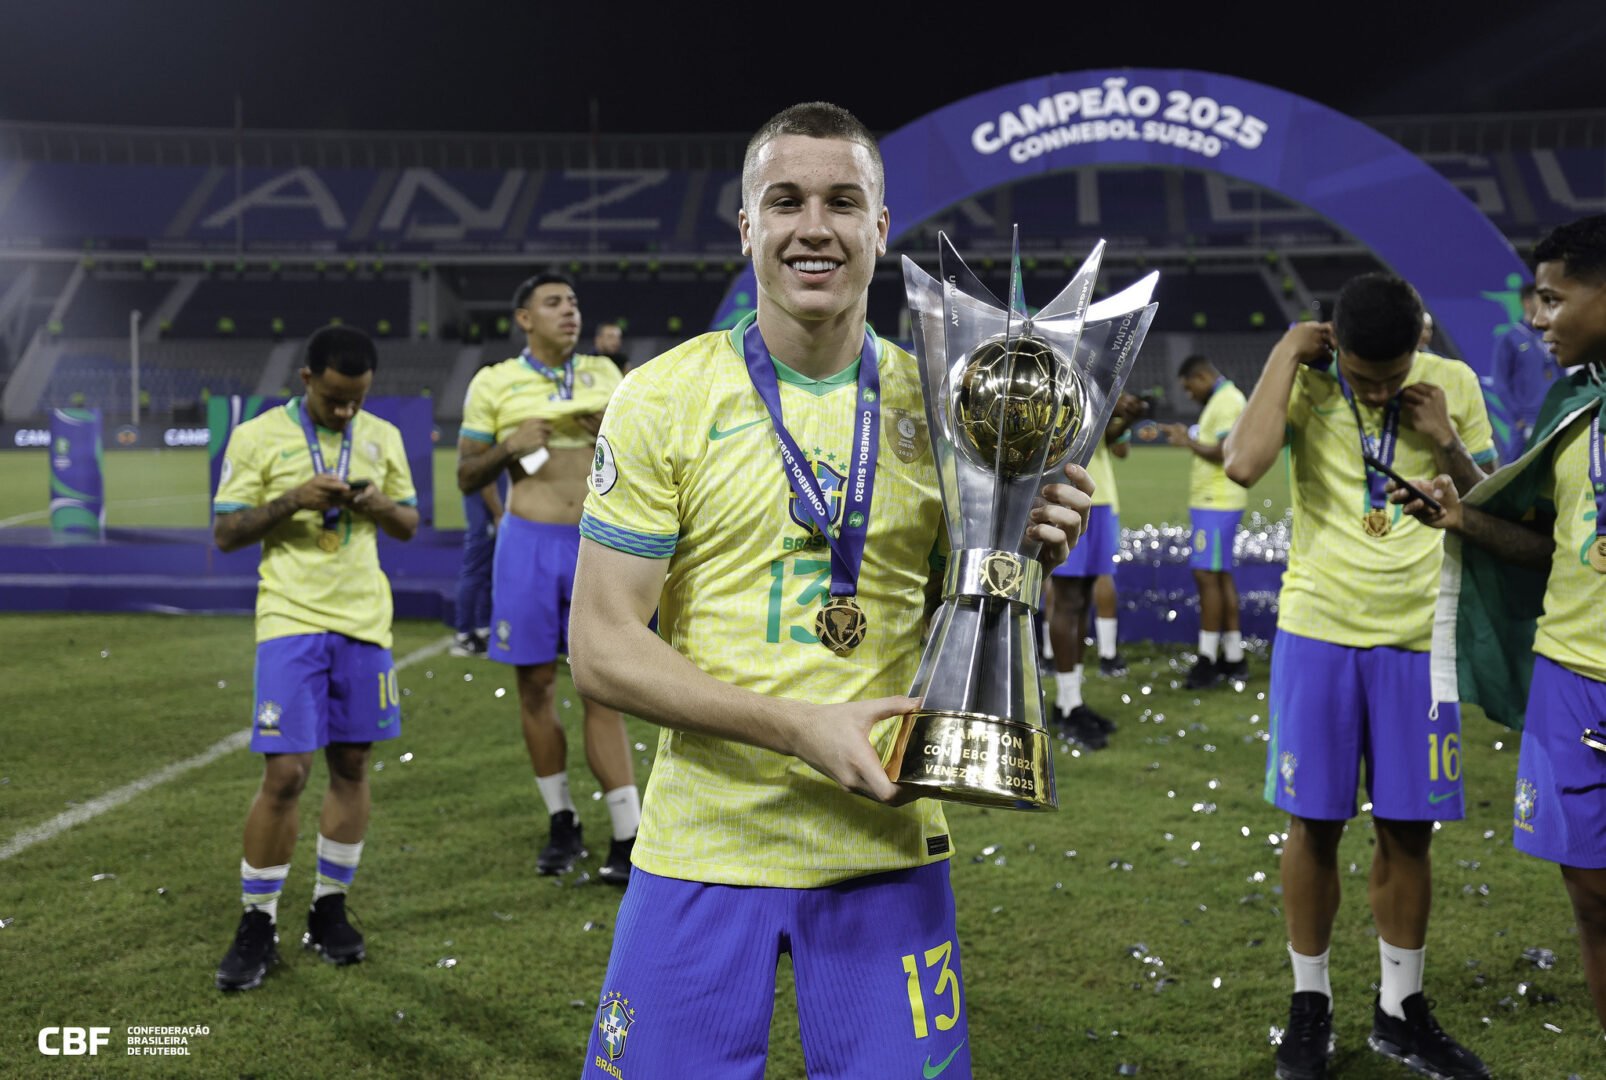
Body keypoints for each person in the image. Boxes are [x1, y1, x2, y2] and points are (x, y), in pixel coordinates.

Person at [566, 101, 1093, 1078]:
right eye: (787, 200)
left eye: (843, 201)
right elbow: (599, 645)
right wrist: (798, 726)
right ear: (748, 229)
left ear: (880, 228)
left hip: (884, 849)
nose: (815, 225)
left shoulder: (956, 406)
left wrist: (1020, 555)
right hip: (703, 852)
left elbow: (958, 624)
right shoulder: (662, 397)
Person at [1224, 273, 1496, 1080]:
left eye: (1393, 375)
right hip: (1320, 630)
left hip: (1421, 636)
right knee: (1313, 824)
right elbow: (1242, 464)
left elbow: (1491, 509)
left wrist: (1447, 439)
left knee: (1408, 830)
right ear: (1331, 344)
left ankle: (1399, 1010)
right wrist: (1284, 353)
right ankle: (1311, 1004)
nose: (1378, 393)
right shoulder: (1305, 383)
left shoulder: (1454, 385)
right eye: (1362, 377)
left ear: (1420, 344)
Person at [1401, 214, 1606, 1028]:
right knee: (1591, 899)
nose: (1536, 317)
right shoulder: (1574, 408)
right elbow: (1545, 543)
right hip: (1571, 681)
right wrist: (1463, 517)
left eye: (1554, 298)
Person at [210, 326, 419, 992]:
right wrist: (292, 500)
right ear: (306, 380)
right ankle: (257, 921)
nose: (346, 411)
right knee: (287, 774)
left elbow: (410, 523)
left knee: (353, 763)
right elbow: (225, 533)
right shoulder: (256, 437)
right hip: (290, 620)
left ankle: (329, 907)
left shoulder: (383, 436)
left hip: (364, 620)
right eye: (334, 399)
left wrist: (376, 502)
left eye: (357, 399)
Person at [456, 274, 640, 884]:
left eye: (574, 303)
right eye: (554, 304)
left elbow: (638, 454)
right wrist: (509, 446)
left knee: (603, 686)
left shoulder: (605, 374)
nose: (570, 312)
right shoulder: (493, 382)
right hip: (527, 544)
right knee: (535, 688)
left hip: (596, 542)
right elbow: (465, 474)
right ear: (524, 318)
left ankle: (627, 833)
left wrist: (609, 431)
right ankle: (562, 820)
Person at [1046, 394, 1138, 749]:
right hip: (1067, 494)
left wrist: (1123, 418)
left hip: (1100, 499)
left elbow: (1113, 443)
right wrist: (1104, 405)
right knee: (1068, 599)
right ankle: (1068, 708)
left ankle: (1070, 701)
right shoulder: (1070, 375)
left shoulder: (1104, 374)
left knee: (1083, 600)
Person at [1157, 355, 1249, 688]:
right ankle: (1234, 656)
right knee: (1219, 575)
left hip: (1216, 501)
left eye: (1188, 387)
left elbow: (1226, 450)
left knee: (1206, 576)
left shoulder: (1227, 401)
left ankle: (1207, 660)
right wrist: (1190, 435)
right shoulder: (1225, 399)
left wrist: (1187, 442)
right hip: (1217, 501)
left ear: (1201, 376)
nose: (1189, 394)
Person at [1489, 282, 1558, 449]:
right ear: (1527, 302)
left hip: (1553, 417)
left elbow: (1561, 374)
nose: (1546, 304)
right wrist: (1518, 417)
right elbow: (1500, 383)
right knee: (1519, 472)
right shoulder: (1510, 338)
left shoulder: (1551, 336)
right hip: (1526, 423)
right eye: (1541, 299)